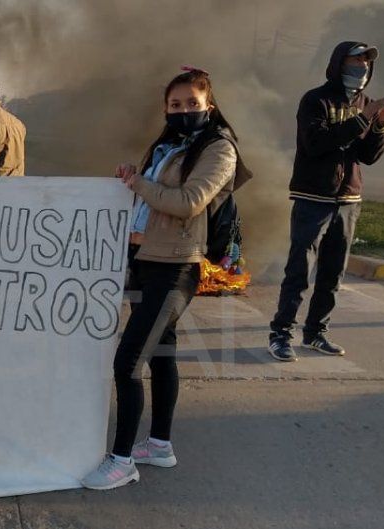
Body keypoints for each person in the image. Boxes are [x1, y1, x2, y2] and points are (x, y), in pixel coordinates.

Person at [82, 67, 250, 491]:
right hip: (146, 260)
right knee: (161, 355)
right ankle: (159, 445)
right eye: (175, 104)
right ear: (165, 108)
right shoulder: (169, 145)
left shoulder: (218, 148)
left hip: (175, 267)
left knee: (128, 362)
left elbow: (189, 202)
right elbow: (148, 199)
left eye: (192, 103)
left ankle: (121, 461)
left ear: (209, 106)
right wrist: (129, 177)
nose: (183, 110)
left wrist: (138, 183)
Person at [268, 42, 384, 361]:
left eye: (366, 62)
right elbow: (315, 143)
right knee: (299, 271)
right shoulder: (316, 100)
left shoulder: (366, 103)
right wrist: (363, 120)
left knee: (332, 273)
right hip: (312, 197)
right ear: (338, 63)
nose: (361, 66)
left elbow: (367, 157)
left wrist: (381, 124)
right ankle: (281, 333)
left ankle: (316, 333)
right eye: (355, 60)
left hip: (348, 199)